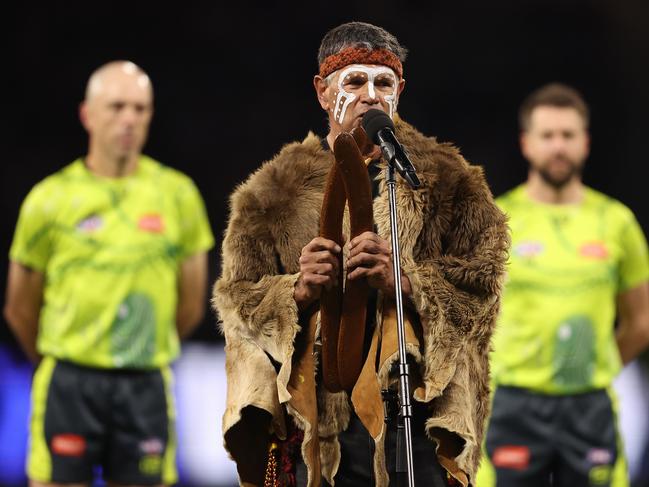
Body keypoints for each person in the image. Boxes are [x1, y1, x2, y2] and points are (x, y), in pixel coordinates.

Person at [213, 21, 509, 487]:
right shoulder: (271, 193)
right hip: (311, 419)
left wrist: (406, 281)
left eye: (383, 83)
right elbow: (236, 303)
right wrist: (296, 289)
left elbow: (483, 289)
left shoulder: (452, 182)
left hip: (415, 412)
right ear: (323, 92)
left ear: (400, 91)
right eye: (354, 81)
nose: (370, 95)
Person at [4, 61, 214, 486]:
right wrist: (63, 361)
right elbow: (19, 306)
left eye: (140, 108)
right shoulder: (49, 199)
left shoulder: (178, 195)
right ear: (88, 114)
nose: (129, 119)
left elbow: (191, 303)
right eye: (117, 106)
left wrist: (141, 348)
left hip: (145, 384)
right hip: (69, 383)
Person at [478, 83, 649, 487]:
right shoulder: (498, 221)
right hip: (513, 403)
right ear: (527, 144)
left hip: (589, 405)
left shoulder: (616, 222)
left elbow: (640, 321)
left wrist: (592, 368)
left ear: (585, 143)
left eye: (568, 135)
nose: (558, 147)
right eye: (548, 136)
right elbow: (468, 318)